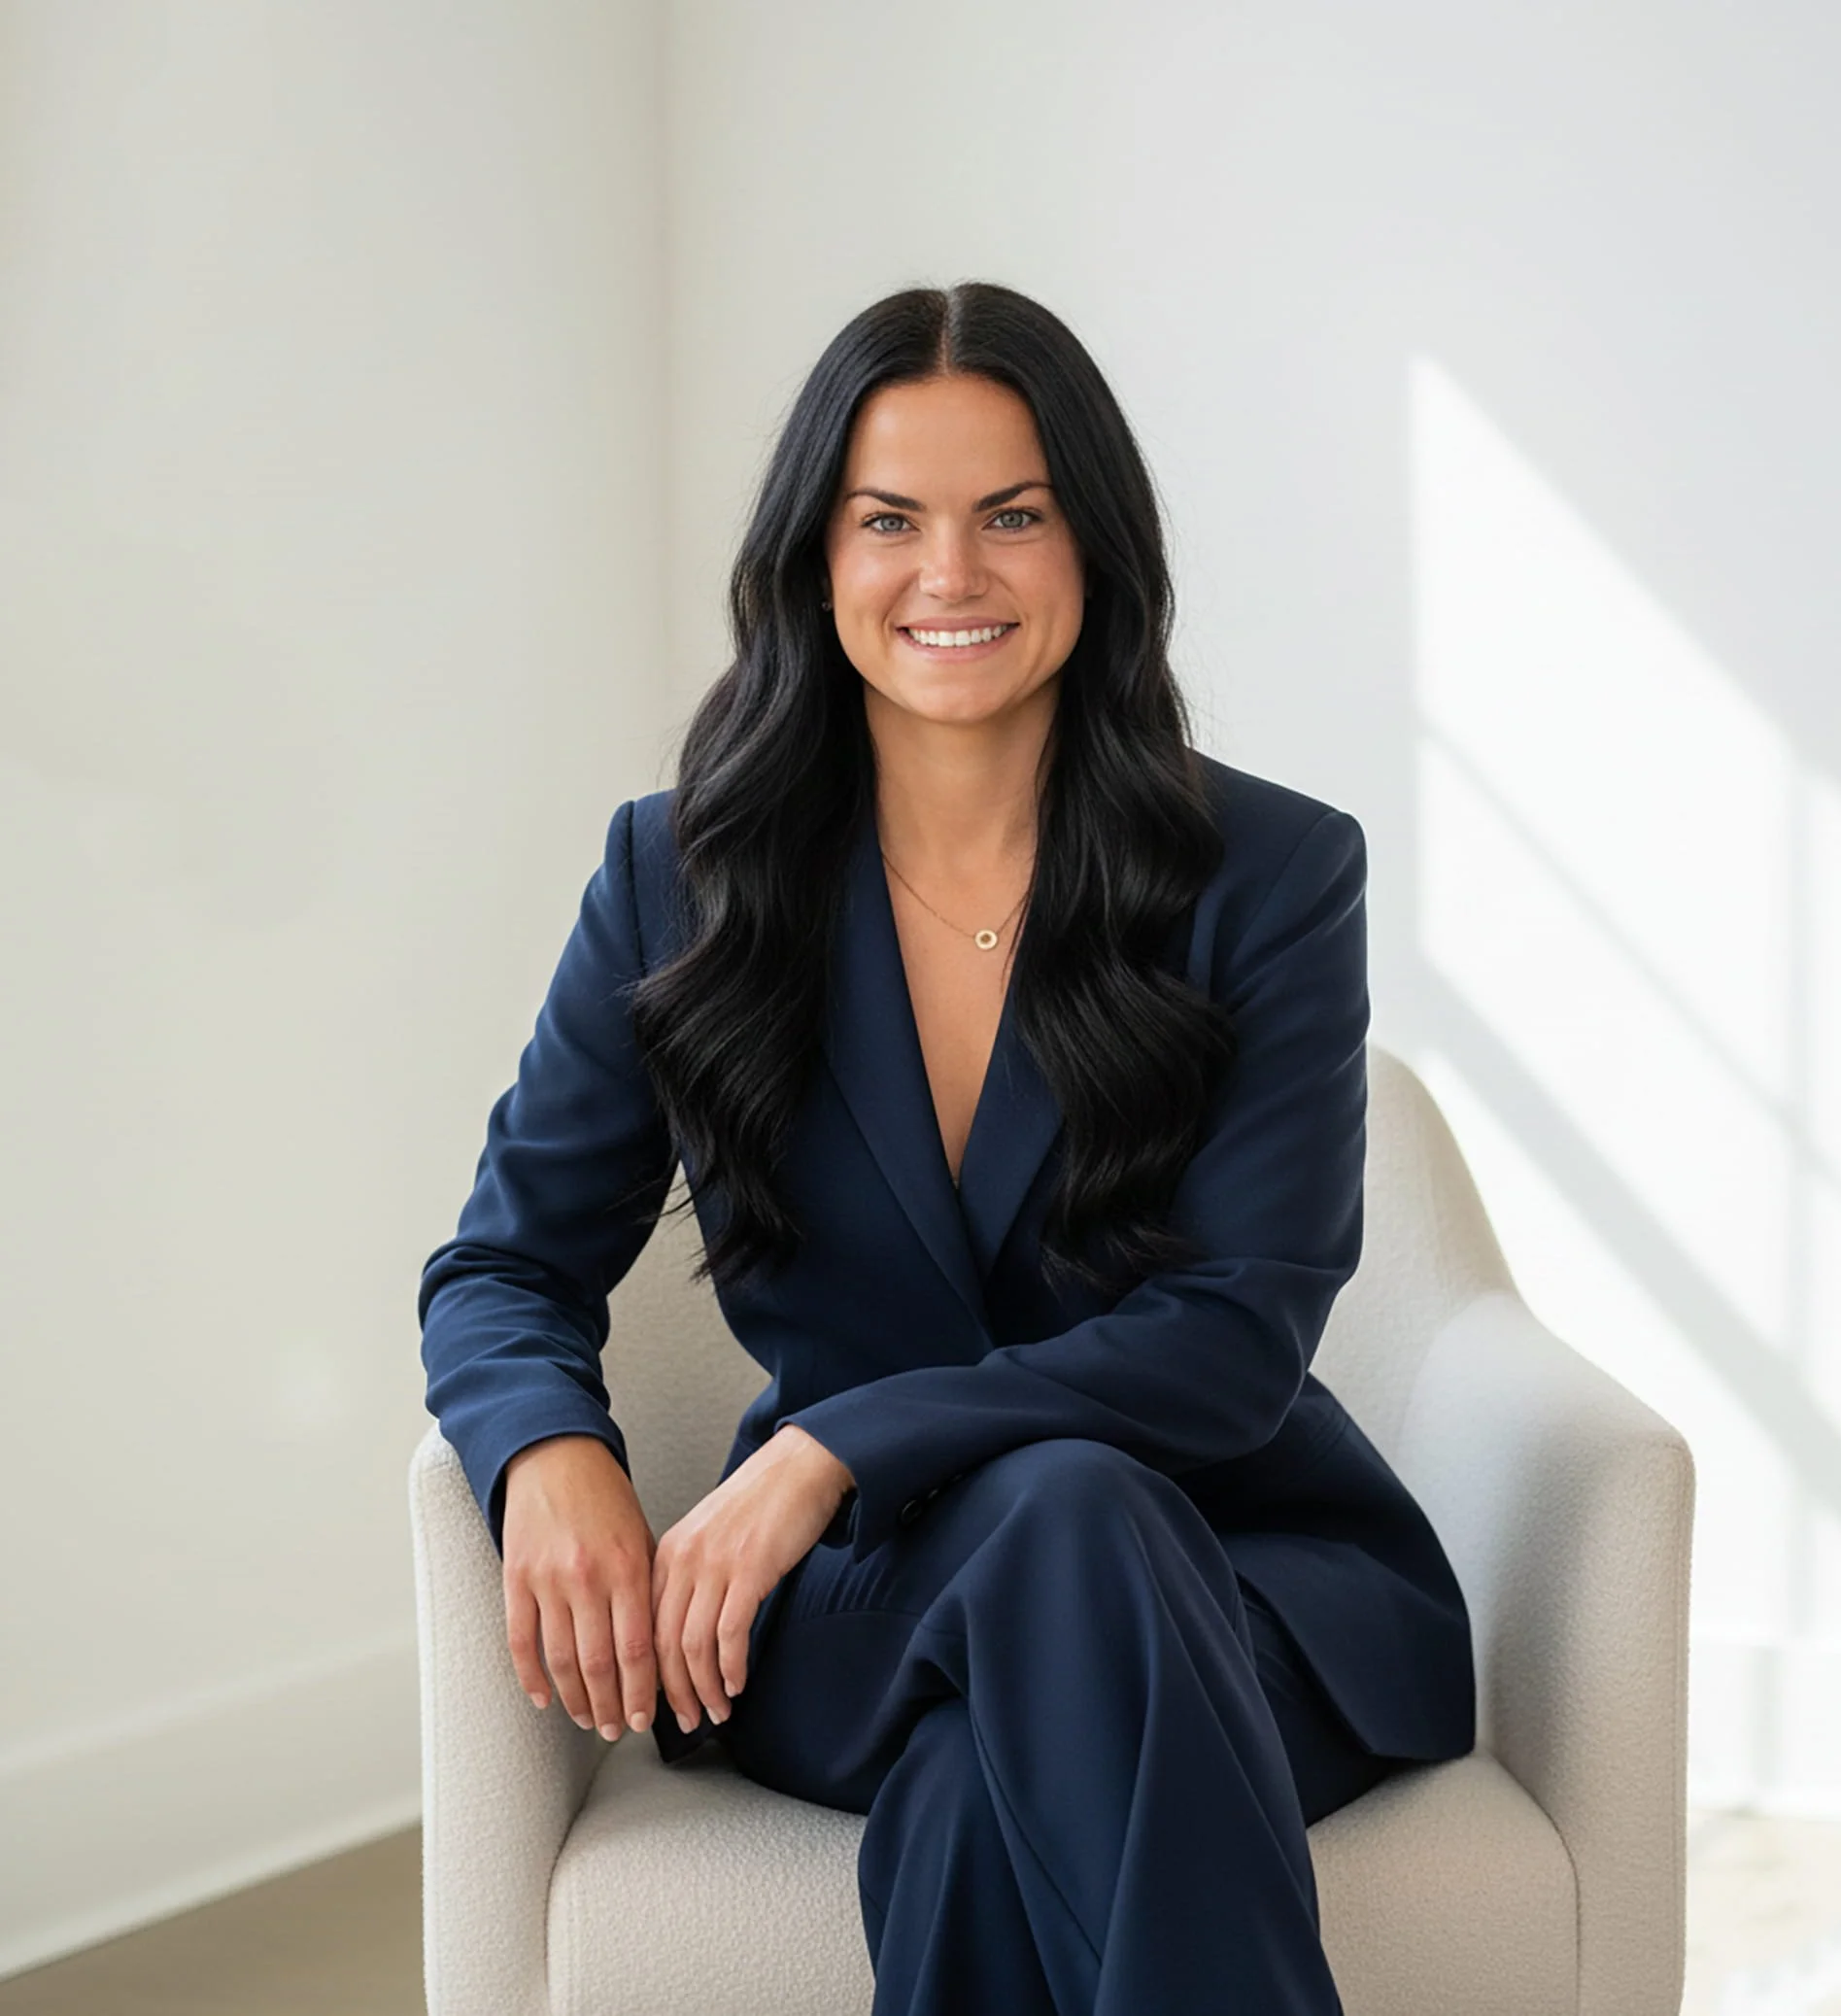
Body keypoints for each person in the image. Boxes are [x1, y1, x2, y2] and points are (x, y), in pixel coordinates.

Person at [418, 280, 1477, 2015]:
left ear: (1096, 549)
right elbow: (505, 1265)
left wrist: (831, 1442)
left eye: (1013, 516)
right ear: (812, 560)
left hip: (1237, 1589)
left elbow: (1230, 1346)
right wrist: (548, 1455)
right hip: (858, 1613)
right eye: (889, 519)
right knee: (1053, 1530)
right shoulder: (676, 878)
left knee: (1001, 1751)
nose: (951, 575)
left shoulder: (1273, 879)